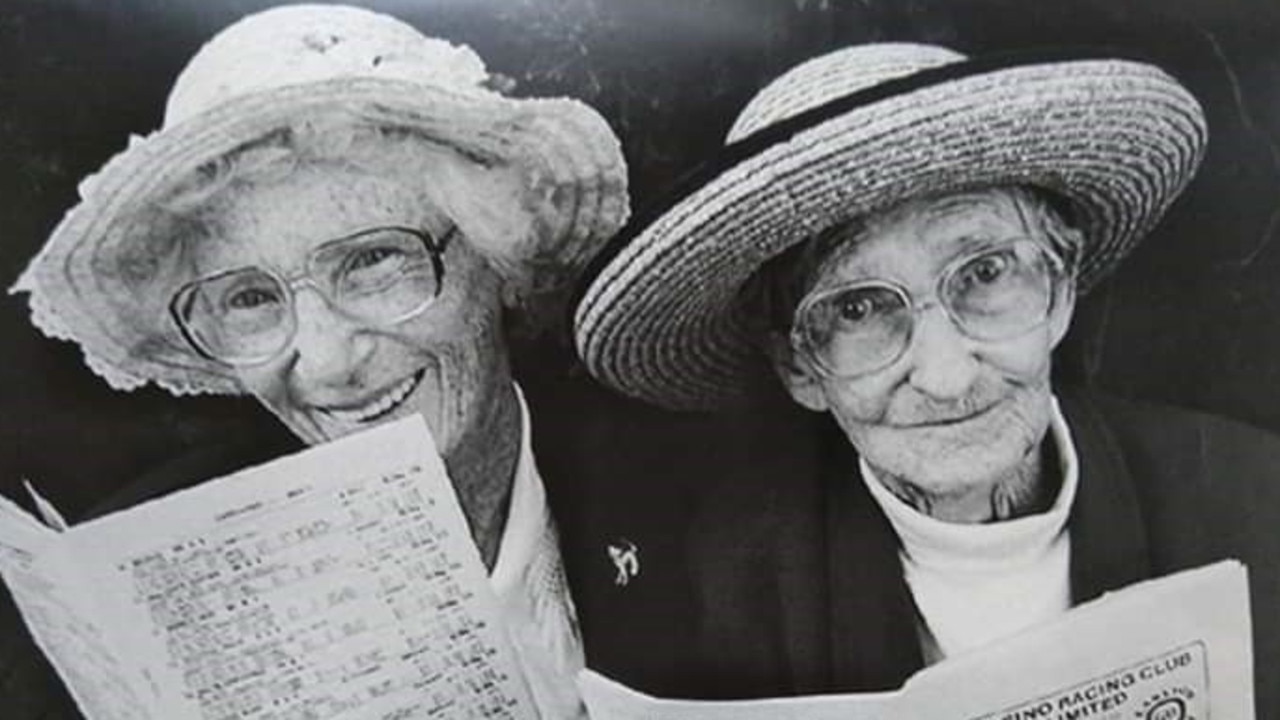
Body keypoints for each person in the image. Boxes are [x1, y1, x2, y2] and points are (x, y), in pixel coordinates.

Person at [574, 43, 1280, 712]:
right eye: (856, 309)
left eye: (985, 272)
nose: (945, 378)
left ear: (1061, 290)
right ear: (798, 366)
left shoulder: (1250, 498)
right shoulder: (717, 589)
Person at [5, 5, 634, 718]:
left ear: (497, 255)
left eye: (371, 260)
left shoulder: (715, 509)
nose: (329, 363)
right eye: (250, 298)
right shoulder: (143, 605)